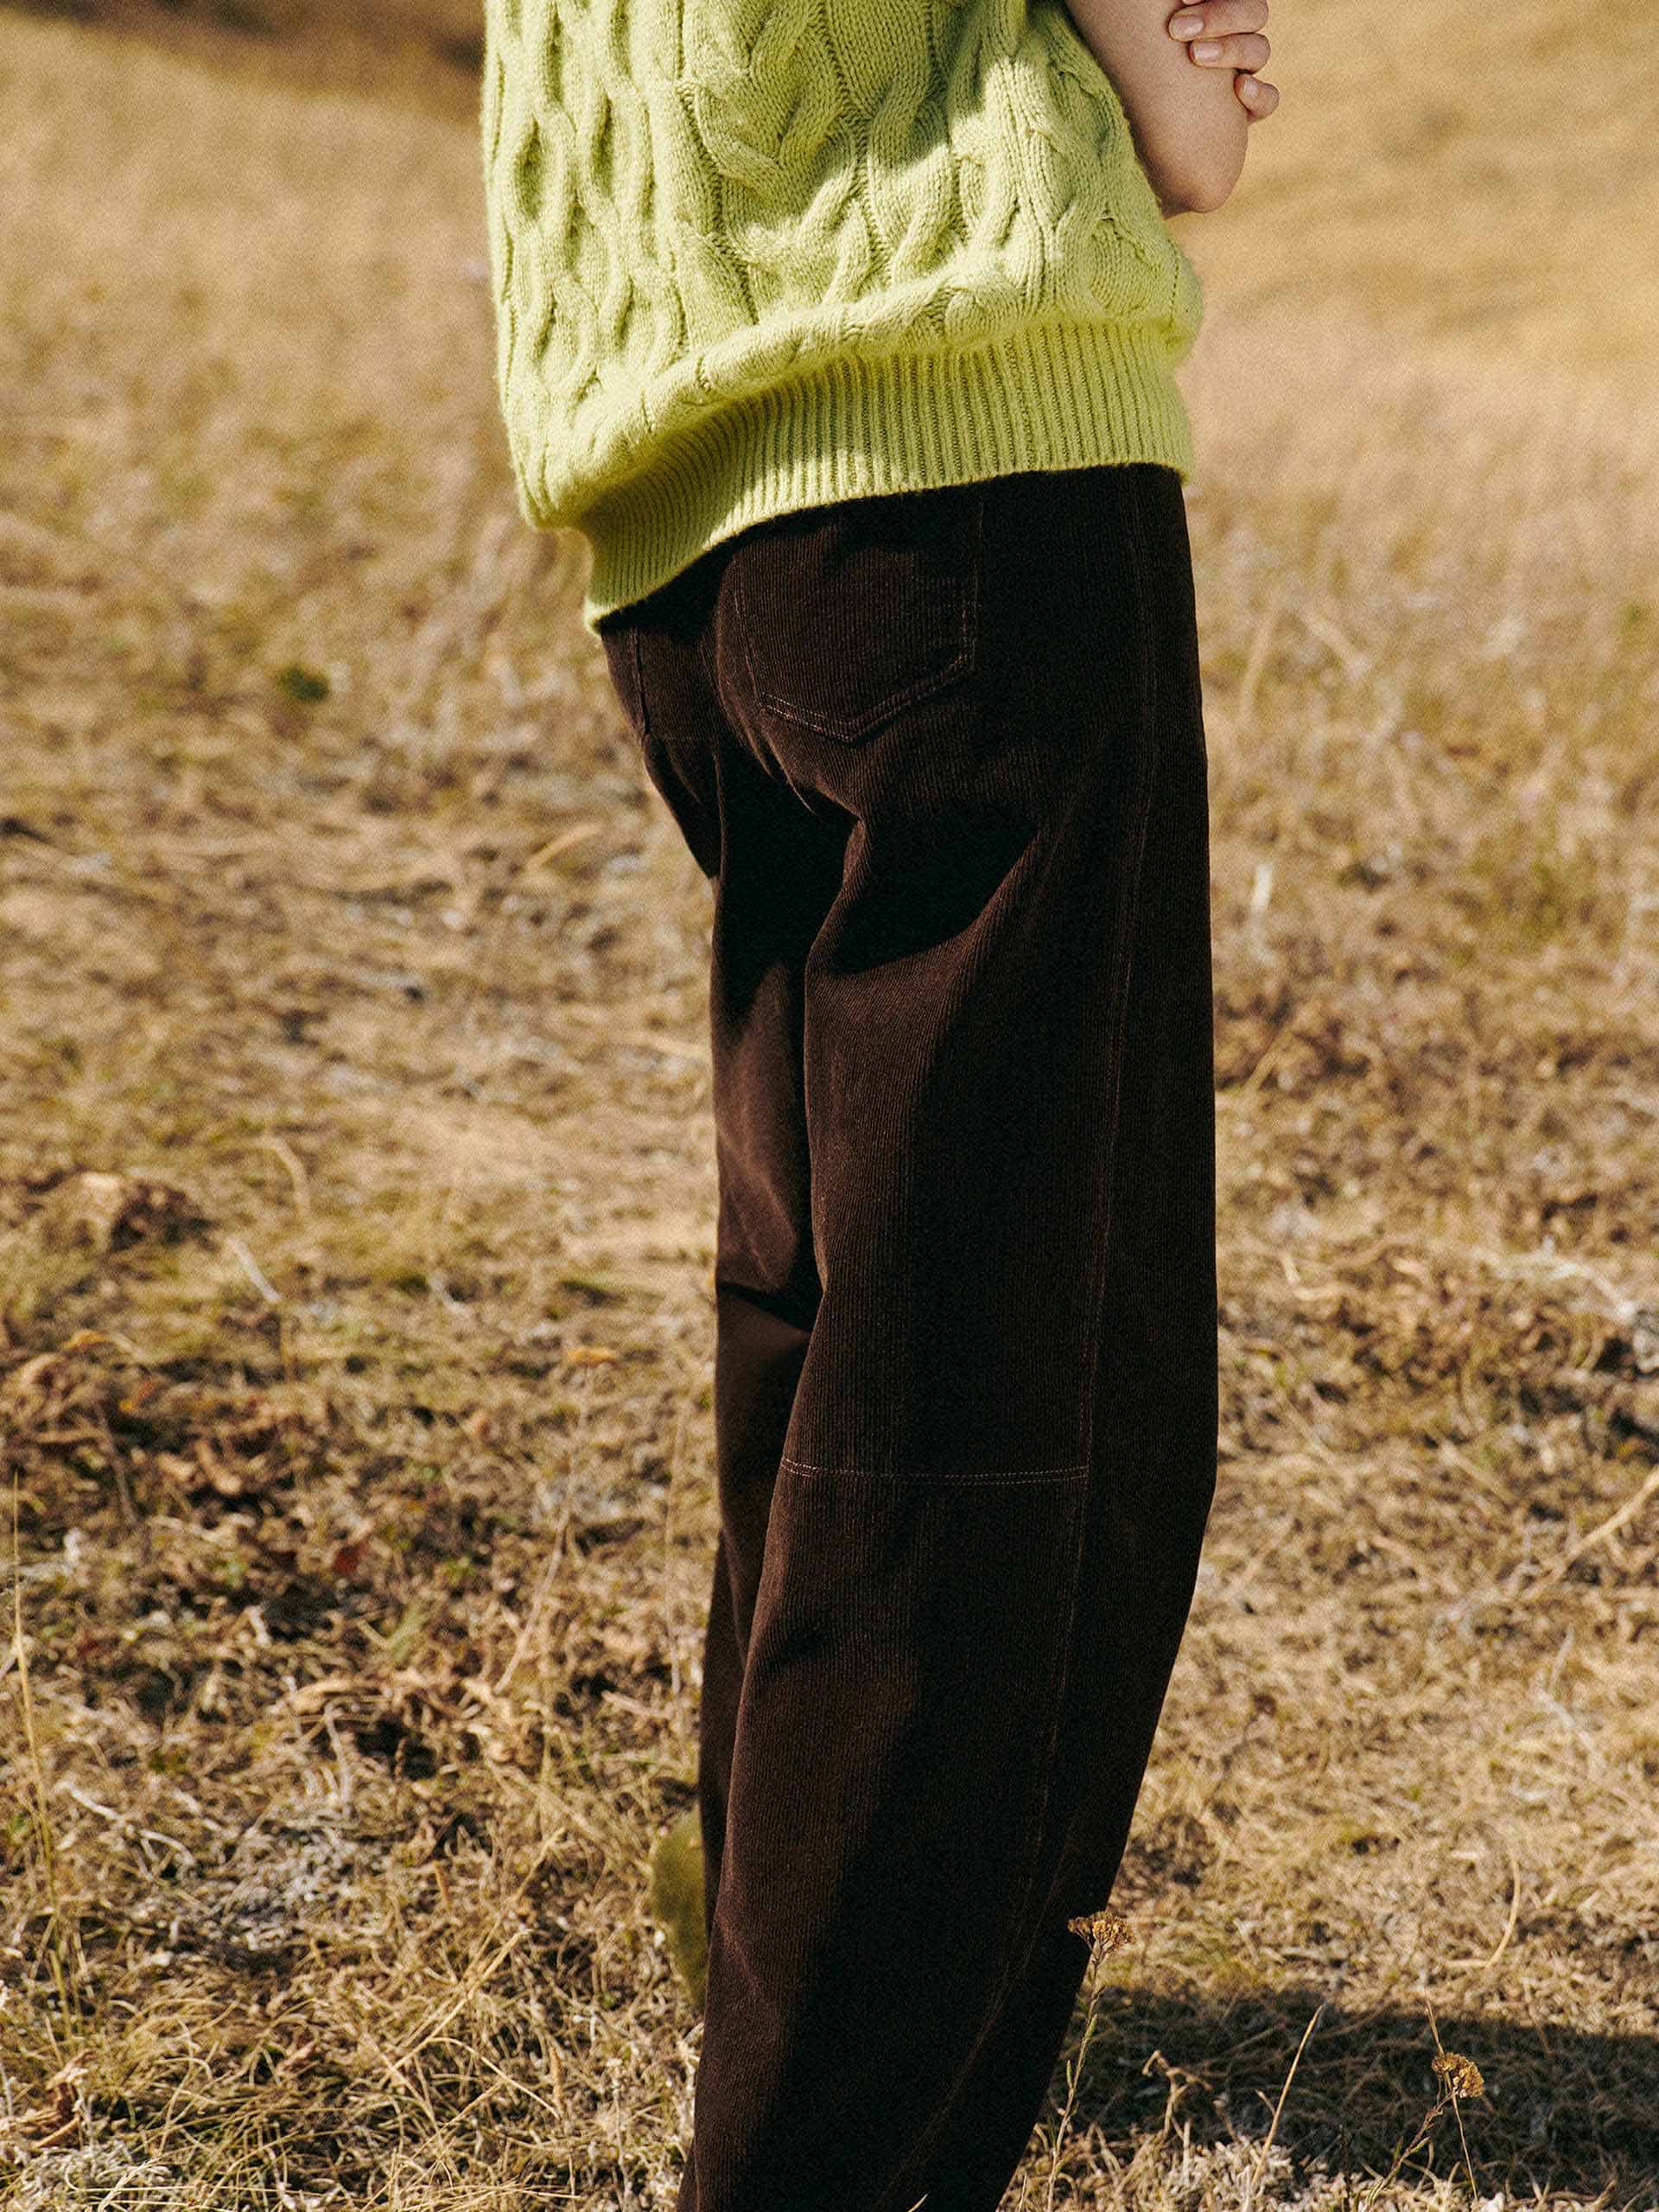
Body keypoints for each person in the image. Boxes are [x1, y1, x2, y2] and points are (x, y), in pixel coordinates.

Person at [478, 0, 1278, 2203]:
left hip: (681, 496)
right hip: (960, 445)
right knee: (1013, 1393)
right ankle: (821, 2144)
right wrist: (1186, 78)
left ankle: (768, 1960)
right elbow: (1193, 132)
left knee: (825, 1306)